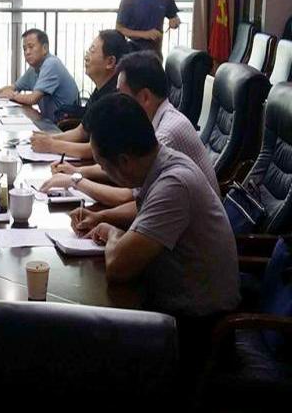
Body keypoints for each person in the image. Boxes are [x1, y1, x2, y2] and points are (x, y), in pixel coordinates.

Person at [80, 94, 239, 386]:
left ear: (124, 161)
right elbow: (143, 207)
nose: (104, 172)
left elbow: (118, 267)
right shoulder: (160, 161)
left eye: (103, 166)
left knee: (91, 349)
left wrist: (114, 233)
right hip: (180, 309)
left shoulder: (174, 184)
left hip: (200, 331)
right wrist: (101, 217)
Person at [44, 51, 219, 216]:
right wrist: (78, 171)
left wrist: (76, 181)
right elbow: (122, 169)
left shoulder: (166, 134)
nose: (118, 99)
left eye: (121, 93)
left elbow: (129, 197)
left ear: (145, 97)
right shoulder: (157, 120)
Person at [27, 30, 130, 159]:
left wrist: (51, 145)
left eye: (92, 51)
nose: (86, 57)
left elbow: (96, 150)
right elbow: (81, 132)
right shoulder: (100, 91)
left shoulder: (116, 98)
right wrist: (49, 138)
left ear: (110, 62)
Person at [0, 28, 78, 122]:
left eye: (31, 47)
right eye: (24, 49)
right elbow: (15, 87)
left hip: (64, 125)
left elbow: (32, 99)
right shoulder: (34, 68)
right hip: (49, 121)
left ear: (45, 48)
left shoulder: (51, 64)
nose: (27, 52)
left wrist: (12, 96)